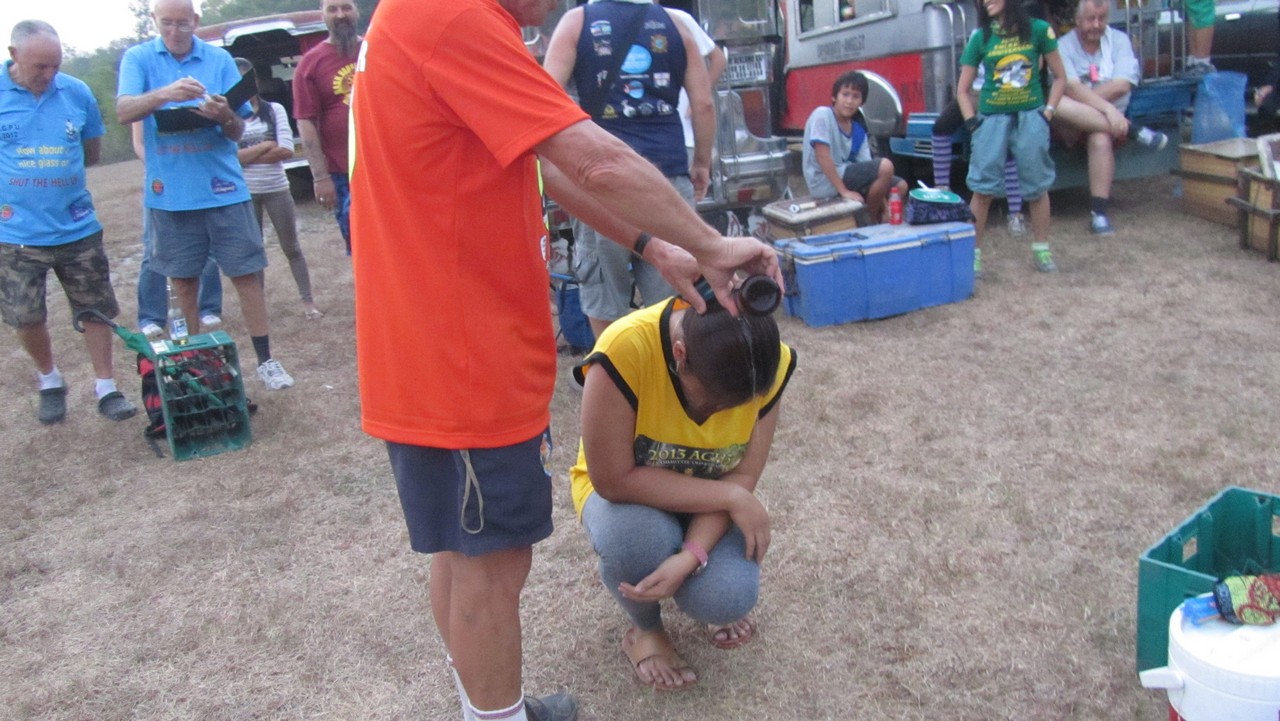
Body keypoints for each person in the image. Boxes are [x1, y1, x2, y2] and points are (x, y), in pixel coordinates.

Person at [349, 0, 783, 718]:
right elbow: (593, 156)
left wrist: (654, 246)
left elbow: (539, 166)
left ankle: (490, 710)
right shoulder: (454, 18)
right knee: (492, 562)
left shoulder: (423, 15)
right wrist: (709, 243)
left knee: (464, 551)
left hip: (440, 348)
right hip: (463, 359)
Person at [570, 295, 794, 691]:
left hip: (706, 500)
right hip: (628, 498)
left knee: (728, 596)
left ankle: (694, 583)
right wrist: (731, 498)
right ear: (679, 354)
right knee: (635, 540)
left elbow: (741, 475)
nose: (717, 415)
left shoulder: (766, 361)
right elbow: (613, 479)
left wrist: (691, 556)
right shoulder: (625, 348)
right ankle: (646, 630)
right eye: (710, 398)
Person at [116, 0, 294, 391]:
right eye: (166, 23)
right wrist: (166, 94)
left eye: (183, 24)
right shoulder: (139, 58)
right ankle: (192, 364)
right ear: (154, 21)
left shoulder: (218, 60)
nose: (174, 31)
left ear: (196, 21)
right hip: (171, 194)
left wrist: (224, 114)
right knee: (182, 282)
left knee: (247, 275)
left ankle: (266, 361)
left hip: (224, 189)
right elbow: (124, 111)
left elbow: (237, 130)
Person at [543, 0, 716, 338]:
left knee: (606, 302)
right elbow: (704, 104)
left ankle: (613, 368)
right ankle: (671, 368)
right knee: (674, 303)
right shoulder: (677, 24)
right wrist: (701, 162)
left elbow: (545, 97)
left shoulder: (576, 22)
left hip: (601, 182)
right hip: (667, 177)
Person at [1, 20, 137, 425]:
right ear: (14, 55)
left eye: (55, 66)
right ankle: (50, 380)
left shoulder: (77, 92)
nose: (49, 75)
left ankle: (106, 387)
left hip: (77, 227)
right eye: (39, 67)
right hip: (15, 233)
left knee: (95, 308)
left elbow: (91, 152)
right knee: (25, 316)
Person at [957, 0, 1066, 273]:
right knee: (982, 189)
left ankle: (1042, 250)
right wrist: (972, 123)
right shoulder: (981, 37)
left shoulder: (1039, 30)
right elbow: (962, 89)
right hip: (991, 119)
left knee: (1037, 187)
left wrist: (1047, 114)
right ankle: (973, 255)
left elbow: (1060, 77)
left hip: (1030, 116)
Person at [1052, 0, 1169, 235]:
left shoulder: (1119, 40)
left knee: (1100, 138)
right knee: (1057, 103)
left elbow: (1122, 84)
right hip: (1075, 124)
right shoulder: (1062, 45)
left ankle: (1099, 214)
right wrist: (1107, 109)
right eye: (1090, 19)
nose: (1097, 25)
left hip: (1106, 122)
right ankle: (1133, 131)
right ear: (1077, 20)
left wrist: (1093, 105)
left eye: (1102, 18)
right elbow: (1070, 87)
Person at [233, 57, 322, 319]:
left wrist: (247, 155)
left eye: (246, 79)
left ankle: (308, 302)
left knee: (292, 247)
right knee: (253, 251)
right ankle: (258, 307)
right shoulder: (228, 118)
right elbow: (230, 159)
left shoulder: (274, 110)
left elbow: (285, 150)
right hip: (245, 193)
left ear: (255, 81)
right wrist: (265, 145)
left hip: (276, 187)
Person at [130, 121, 223, 338]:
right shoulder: (143, 104)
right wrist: (161, 169)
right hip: (161, 184)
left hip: (198, 180)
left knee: (205, 246)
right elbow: (139, 143)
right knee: (154, 250)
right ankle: (152, 317)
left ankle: (208, 307)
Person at [931, 39, 1027, 236]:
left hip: (1003, 96)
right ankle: (942, 190)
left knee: (1007, 147)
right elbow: (966, 76)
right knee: (941, 127)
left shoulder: (1017, 37)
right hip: (975, 92)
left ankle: (1015, 214)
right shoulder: (979, 36)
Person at [292, 0, 359, 256]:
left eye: (346, 7)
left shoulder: (375, 50)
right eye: (332, 9)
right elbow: (305, 121)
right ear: (322, 15)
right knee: (359, 243)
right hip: (342, 172)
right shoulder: (311, 64)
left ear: (356, 11)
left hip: (384, 166)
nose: (340, 15)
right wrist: (320, 177)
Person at [802, 70, 908, 223]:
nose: (849, 101)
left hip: (845, 175)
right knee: (886, 166)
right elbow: (822, 156)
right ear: (834, 97)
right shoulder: (822, 115)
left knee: (900, 186)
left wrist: (885, 207)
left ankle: (881, 217)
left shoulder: (858, 130)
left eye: (855, 96)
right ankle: (868, 220)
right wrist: (844, 191)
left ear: (862, 102)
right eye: (845, 94)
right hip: (824, 182)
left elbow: (873, 173)